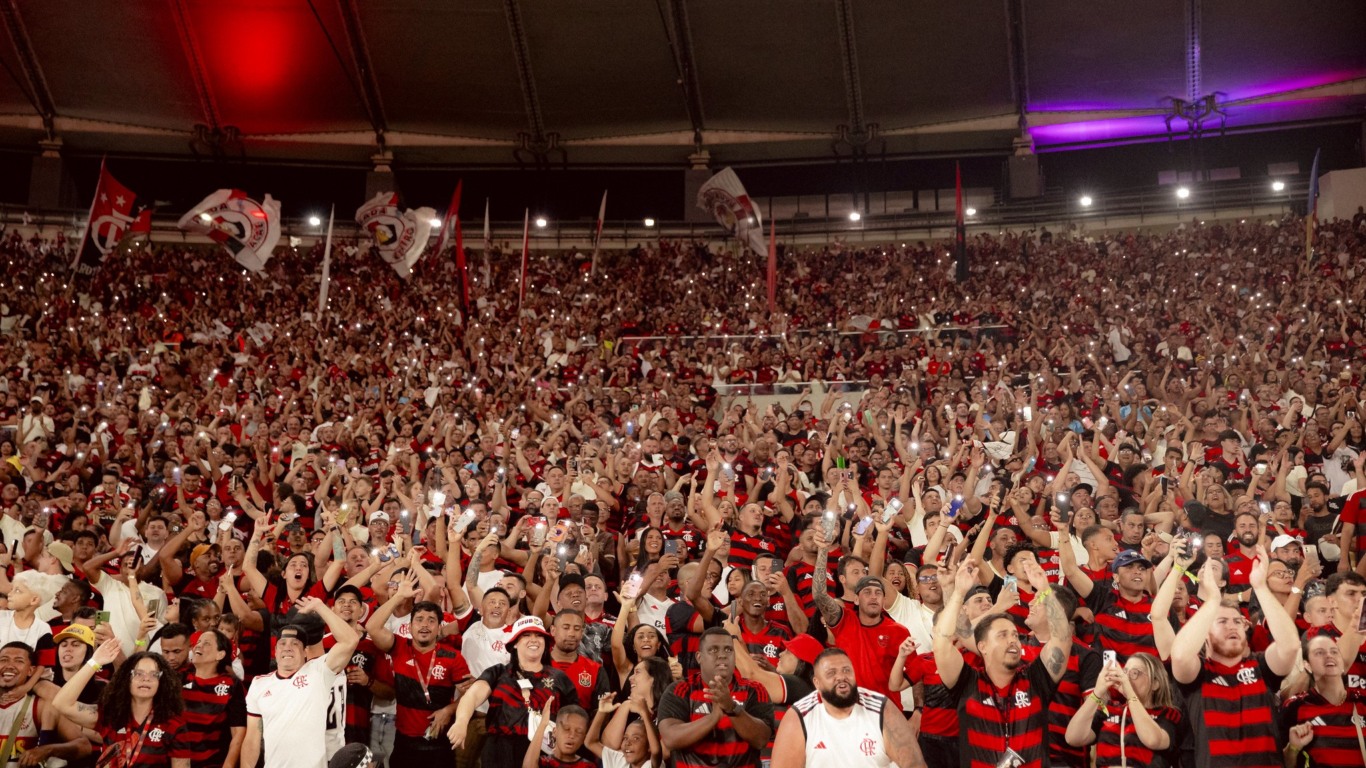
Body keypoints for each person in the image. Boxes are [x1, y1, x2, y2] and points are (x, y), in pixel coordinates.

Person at [932, 557, 1074, 768]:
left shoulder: (1036, 680)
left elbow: (1062, 638)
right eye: (1002, 635)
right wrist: (957, 592)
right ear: (983, 647)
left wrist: (1044, 588)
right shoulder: (967, 683)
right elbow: (943, 640)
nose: (1013, 640)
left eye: (1015, 635)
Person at [1169, 550, 1299, 768]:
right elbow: (1180, 655)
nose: (1232, 626)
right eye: (1222, 622)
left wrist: (1260, 587)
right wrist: (1212, 601)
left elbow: (1290, 645)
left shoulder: (1260, 667)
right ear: (1205, 636)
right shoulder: (1198, 675)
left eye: (1237, 621)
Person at [365, 572, 471, 766]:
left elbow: (471, 694)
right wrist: (398, 596)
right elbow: (372, 627)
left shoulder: (453, 658)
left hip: (440, 743)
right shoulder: (398, 647)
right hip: (404, 741)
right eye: (419, 619)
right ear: (410, 625)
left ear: (439, 627)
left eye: (431, 620)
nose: (424, 625)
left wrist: (449, 709)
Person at [241, 596, 359, 768]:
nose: (287, 647)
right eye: (282, 643)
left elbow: (350, 640)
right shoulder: (259, 684)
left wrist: (320, 606)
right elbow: (252, 739)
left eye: (295, 644)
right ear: (275, 651)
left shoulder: (318, 672)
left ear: (305, 652)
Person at [447, 617, 577, 768]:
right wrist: (461, 722)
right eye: (526, 635)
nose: (534, 640)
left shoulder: (560, 678)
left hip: (544, 752)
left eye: (539, 635)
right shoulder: (498, 672)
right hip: (499, 752)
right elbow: (473, 696)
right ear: (514, 643)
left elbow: (573, 716)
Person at [771, 647, 925, 768]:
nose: (841, 677)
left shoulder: (882, 709)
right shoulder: (799, 716)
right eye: (831, 673)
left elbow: (914, 765)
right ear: (817, 683)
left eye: (846, 670)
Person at [51, 638, 189, 768]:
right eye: (138, 673)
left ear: (161, 682)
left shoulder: (174, 725)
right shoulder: (110, 715)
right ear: (126, 680)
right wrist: (95, 661)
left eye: (154, 674)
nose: (146, 679)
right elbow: (61, 703)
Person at [810, 531, 908, 701]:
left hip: (886, 712)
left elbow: (914, 670)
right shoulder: (845, 620)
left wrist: (918, 710)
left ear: (884, 599)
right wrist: (823, 551)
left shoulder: (899, 630)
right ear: (856, 598)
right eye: (867, 592)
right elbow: (819, 595)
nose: (873, 596)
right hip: (849, 708)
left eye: (878, 593)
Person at [657, 627, 775, 768]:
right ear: (699, 657)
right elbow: (671, 738)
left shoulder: (754, 690)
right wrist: (714, 717)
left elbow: (761, 740)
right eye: (713, 650)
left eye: (728, 650)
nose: (722, 655)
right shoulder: (679, 689)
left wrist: (732, 708)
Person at [1064, 652, 1180, 768]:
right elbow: (1072, 738)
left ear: (1155, 683)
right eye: (1124, 672)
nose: (1126, 678)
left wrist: (1130, 694)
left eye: (1135, 673)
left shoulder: (1168, 714)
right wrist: (1097, 692)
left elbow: (1153, 740)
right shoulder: (1110, 710)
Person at [1282, 633, 1366, 768]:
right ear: (1307, 665)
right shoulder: (1294, 706)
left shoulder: (1362, 701)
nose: (1329, 655)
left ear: (1343, 664)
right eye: (1319, 653)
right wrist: (1293, 749)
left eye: (1334, 651)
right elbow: (1282, 764)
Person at [180, 629, 246, 768]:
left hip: (213, 763)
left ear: (220, 654)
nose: (198, 645)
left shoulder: (232, 685)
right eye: (198, 642)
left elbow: (238, 733)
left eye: (206, 643)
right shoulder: (178, 679)